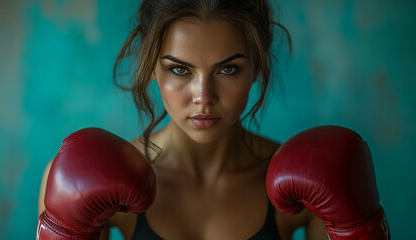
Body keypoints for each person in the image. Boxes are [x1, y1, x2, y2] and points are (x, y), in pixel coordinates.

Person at [37, 0, 389, 239]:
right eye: (179, 69)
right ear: (151, 72)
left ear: (256, 69)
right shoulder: (81, 181)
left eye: (228, 69)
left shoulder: (308, 183)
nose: (203, 95)